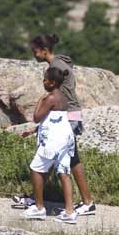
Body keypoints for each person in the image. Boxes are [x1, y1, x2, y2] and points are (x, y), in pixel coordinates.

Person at [17, 34, 95, 216]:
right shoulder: (60, 62)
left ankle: (38, 201)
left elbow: (62, 94)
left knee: (55, 157)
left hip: (68, 115)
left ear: (44, 51)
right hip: (70, 114)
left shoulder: (56, 67)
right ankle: (83, 201)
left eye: (35, 52)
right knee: (71, 158)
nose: (34, 55)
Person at [21, 67, 77, 224]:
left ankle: (39, 208)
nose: (43, 82)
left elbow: (37, 117)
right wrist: (33, 131)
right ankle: (69, 212)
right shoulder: (64, 97)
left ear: (52, 83)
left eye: (45, 80)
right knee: (64, 173)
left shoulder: (50, 98)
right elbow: (55, 120)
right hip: (65, 139)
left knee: (36, 169)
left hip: (52, 142)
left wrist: (40, 100)